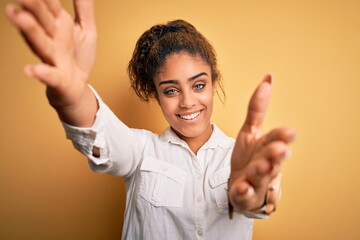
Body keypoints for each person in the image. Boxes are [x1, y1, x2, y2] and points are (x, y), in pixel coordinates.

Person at [5, 0, 296, 239]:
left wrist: (254, 197)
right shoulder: (141, 151)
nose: (188, 101)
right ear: (155, 95)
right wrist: (71, 93)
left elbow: (263, 197)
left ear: (214, 82)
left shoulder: (242, 156)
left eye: (198, 85)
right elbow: (99, 132)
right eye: (170, 90)